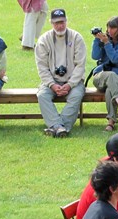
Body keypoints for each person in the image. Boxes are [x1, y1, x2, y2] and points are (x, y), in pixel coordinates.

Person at [35, 8, 86, 138]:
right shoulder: (43, 40)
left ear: (66, 21)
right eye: (57, 23)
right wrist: (52, 85)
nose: (60, 25)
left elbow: (80, 65)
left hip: (73, 81)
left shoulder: (76, 38)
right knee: (42, 95)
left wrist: (70, 84)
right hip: (51, 81)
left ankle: (56, 127)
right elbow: (42, 67)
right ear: (51, 23)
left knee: (75, 96)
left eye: (62, 22)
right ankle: (60, 127)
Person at [91, 16, 118, 132]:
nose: (109, 30)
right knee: (111, 76)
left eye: (113, 28)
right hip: (101, 76)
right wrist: (97, 40)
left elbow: (115, 59)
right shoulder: (105, 40)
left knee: (111, 89)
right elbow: (95, 56)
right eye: (108, 27)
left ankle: (111, 122)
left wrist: (107, 44)